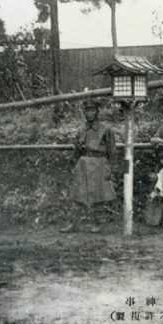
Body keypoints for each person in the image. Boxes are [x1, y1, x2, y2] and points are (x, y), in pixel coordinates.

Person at [60, 99, 117, 233]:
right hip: (83, 163)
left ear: (97, 112)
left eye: (92, 110)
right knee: (78, 194)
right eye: (87, 111)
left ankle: (98, 224)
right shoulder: (81, 130)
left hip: (99, 163)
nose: (89, 113)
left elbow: (112, 151)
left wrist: (111, 169)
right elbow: (76, 150)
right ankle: (74, 224)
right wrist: (74, 163)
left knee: (99, 195)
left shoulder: (106, 130)